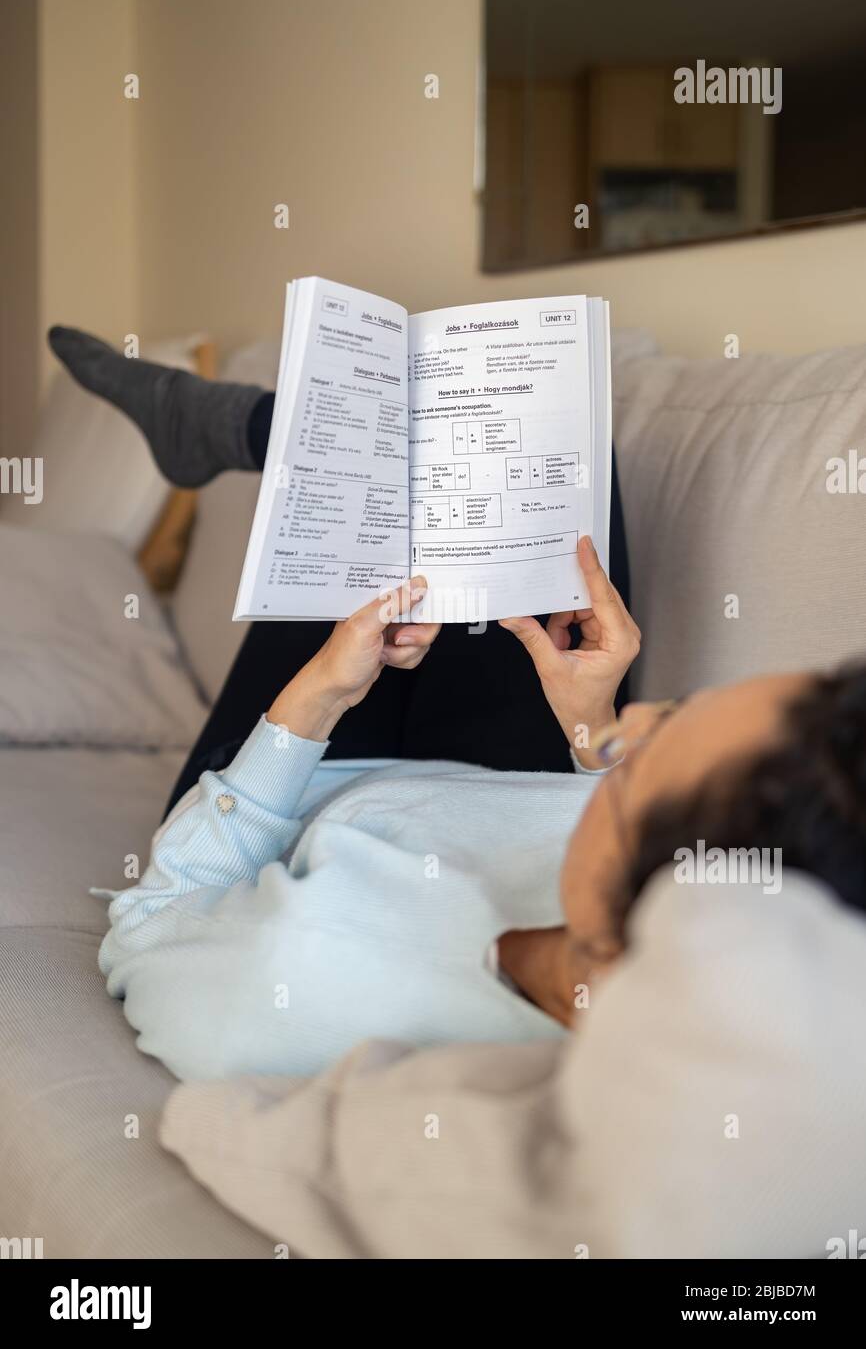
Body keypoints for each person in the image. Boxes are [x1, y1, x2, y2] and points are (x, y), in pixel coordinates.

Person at [49, 327, 866, 1084]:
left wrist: (318, 696)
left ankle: (229, 427)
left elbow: (150, 920)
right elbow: (625, 790)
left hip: (287, 792)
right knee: (547, 448)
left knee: (403, 464)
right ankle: (233, 425)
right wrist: (590, 722)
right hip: (493, 771)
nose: (635, 725)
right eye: (670, 708)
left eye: (649, 752)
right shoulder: (685, 898)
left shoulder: (308, 981)